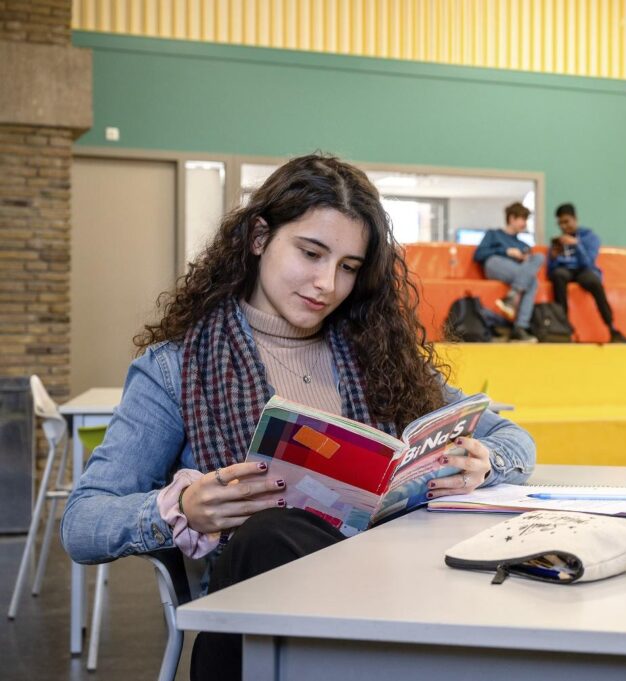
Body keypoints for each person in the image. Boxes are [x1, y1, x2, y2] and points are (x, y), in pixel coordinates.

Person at [60, 153, 536, 681]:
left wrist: (483, 464)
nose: (327, 284)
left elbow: (512, 438)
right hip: (276, 604)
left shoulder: (378, 356)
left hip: (392, 587)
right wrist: (181, 509)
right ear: (260, 237)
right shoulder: (176, 370)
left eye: (348, 267)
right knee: (269, 535)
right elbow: (82, 523)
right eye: (311, 253)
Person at [548, 203, 626, 343]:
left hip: (584, 270)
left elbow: (588, 262)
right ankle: (563, 327)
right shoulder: (558, 242)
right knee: (558, 275)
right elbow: (551, 271)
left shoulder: (590, 237)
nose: (563, 226)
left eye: (566, 222)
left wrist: (576, 244)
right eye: (560, 223)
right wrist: (554, 258)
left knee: (594, 282)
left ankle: (612, 328)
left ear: (575, 219)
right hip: (565, 270)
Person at [472, 202, 544, 342]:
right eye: (522, 219)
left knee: (538, 262)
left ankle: (513, 303)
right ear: (512, 218)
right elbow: (478, 255)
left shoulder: (523, 245)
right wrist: (506, 251)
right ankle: (520, 325)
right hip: (494, 264)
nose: (524, 223)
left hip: (515, 271)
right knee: (531, 281)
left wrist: (524, 259)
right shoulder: (493, 234)